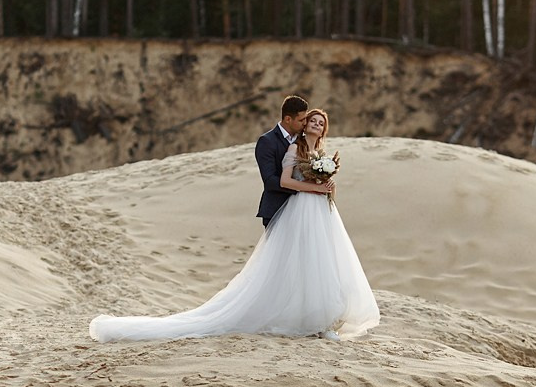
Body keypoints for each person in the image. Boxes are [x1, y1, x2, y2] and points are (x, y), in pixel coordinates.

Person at [88, 104, 380, 343]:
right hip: (291, 210)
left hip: (318, 212)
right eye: (307, 120)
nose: (311, 124)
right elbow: (276, 181)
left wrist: (326, 184)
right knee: (285, 267)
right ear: (293, 120)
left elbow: (325, 185)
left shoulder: (316, 151)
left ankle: (317, 318)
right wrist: (314, 188)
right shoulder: (279, 144)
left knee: (318, 262)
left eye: (316, 121)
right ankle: (291, 316)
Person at [255, 94, 309, 228]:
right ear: (288, 119)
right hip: (276, 210)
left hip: (303, 210)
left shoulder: (305, 140)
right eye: (301, 120)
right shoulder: (267, 141)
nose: (305, 123)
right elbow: (270, 181)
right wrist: (303, 188)